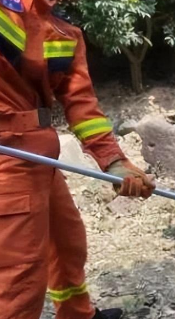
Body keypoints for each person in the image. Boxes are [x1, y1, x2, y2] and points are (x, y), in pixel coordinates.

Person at [0, 1, 155, 318]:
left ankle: (77, 314)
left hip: (39, 155)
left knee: (67, 242)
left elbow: (80, 102)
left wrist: (113, 160)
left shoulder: (63, 31)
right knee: (20, 276)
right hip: (9, 160)